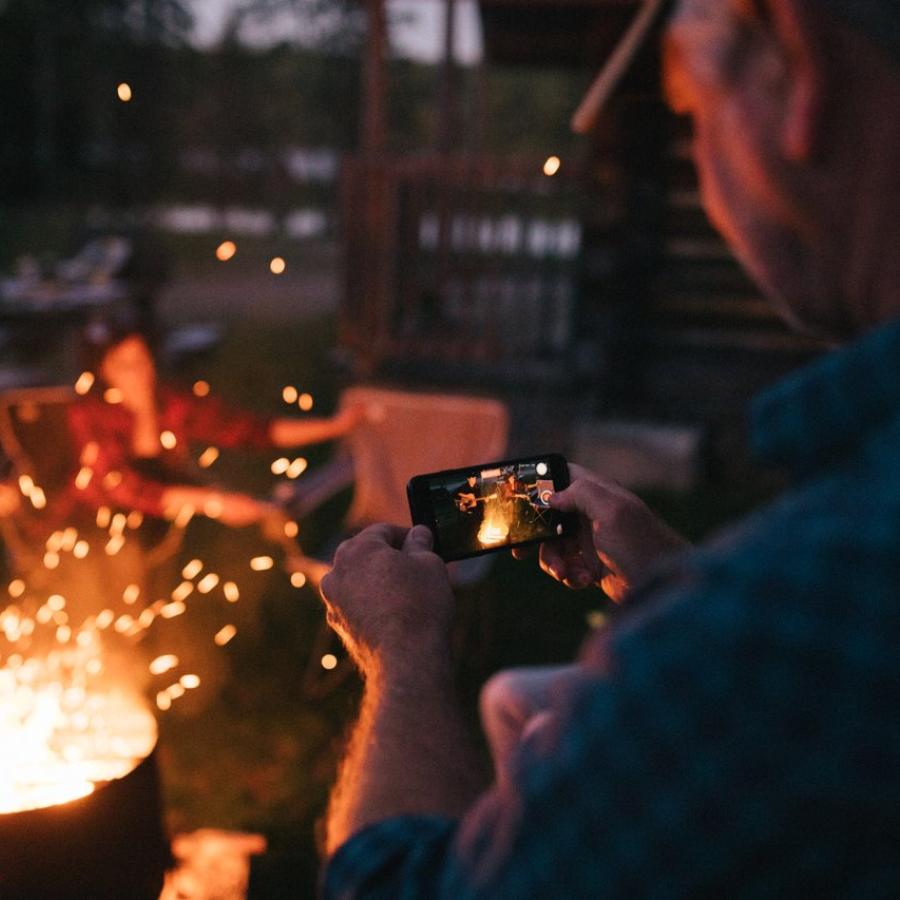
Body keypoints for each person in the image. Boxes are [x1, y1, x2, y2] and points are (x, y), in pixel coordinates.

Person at [318, 0, 900, 895]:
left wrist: (401, 655)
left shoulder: (768, 633)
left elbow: (394, 887)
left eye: (692, 116)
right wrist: (676, 575)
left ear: (801, 75)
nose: (701, 170)